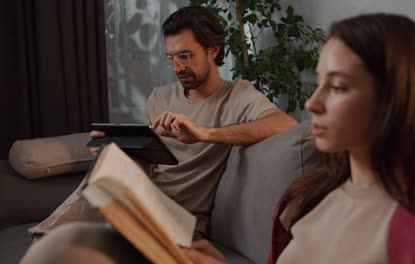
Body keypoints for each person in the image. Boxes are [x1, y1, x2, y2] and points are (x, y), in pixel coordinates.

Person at [183, 13, 415, 264]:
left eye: (338, 86)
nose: (311, 103)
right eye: (319, 83)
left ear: (394, 98)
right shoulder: (305, 195)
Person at [20, 5, 296, 263]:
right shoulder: (160, 98)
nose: (177, 67)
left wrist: (204, 133)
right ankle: (50, 240)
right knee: (110, 168)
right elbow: (148, 165)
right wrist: (121, 147)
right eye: (171, 57)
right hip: (138, 209)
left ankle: (47, 240)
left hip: (180, 224)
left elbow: (284, 124)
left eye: (185, 55)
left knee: (70, 247)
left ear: (213, 50)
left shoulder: (237, 95)